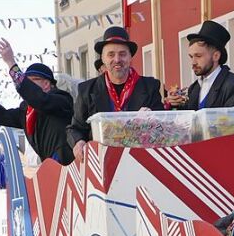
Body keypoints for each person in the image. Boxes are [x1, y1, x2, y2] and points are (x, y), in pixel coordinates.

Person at [0, 38, 75, 165]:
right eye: (26, 81)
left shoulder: (61, 99)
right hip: (49, 166)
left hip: (68, 163)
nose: (27, 85)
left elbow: (39, 99)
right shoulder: (27, 111)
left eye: (31, 81)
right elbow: (2, 116)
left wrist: (11, 62)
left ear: (46, 84)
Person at [69, 26, 164, 166]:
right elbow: (75, 128)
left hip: (141, 163)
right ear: (103, 58)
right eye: (111, 54)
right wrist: (78, 141)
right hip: (101, 164)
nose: (117, 59)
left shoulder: (150, 86)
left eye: (122, 54)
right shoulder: (86, 89)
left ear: (130, 56)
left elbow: (161, 127)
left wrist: (150, 120)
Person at [164, 20, 234, 110]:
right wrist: (174, 104)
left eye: (198, 56)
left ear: (216, 56)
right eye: (191, 57)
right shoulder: (193, 89)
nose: (193, 62)